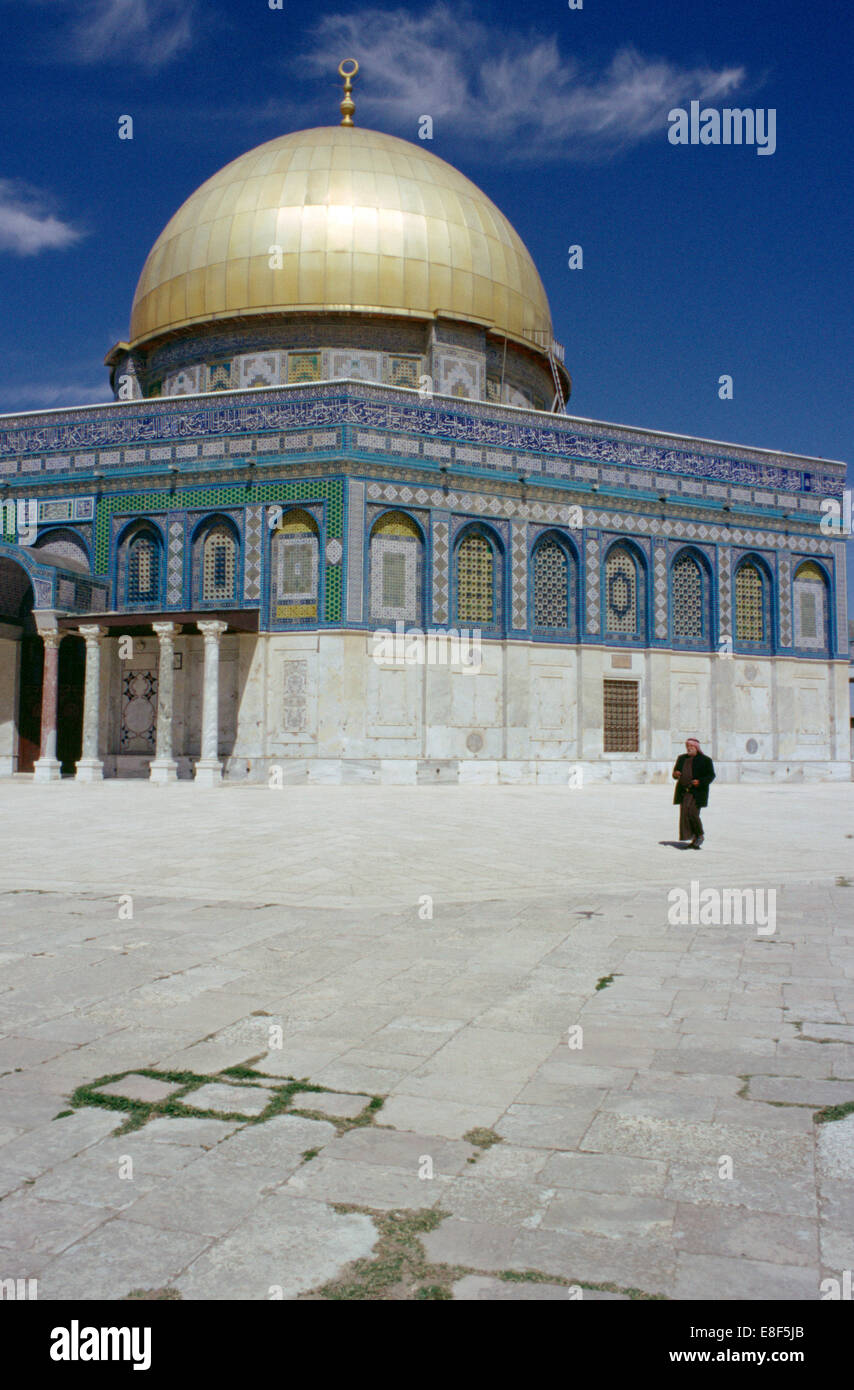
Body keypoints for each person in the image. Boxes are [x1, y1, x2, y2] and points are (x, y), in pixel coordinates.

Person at [671, 738, 716, 848]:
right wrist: (675, 774)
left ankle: (700, 835)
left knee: (692, 813)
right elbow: (675, 774)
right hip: (684, 792)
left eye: (691, 746)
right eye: (687, 746)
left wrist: (700, 782)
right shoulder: (682, 758)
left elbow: (711, 775)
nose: (689, 748)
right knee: (685, 815)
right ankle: (694, 838)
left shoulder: (705, 760)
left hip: (697, 792)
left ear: (697, 747)